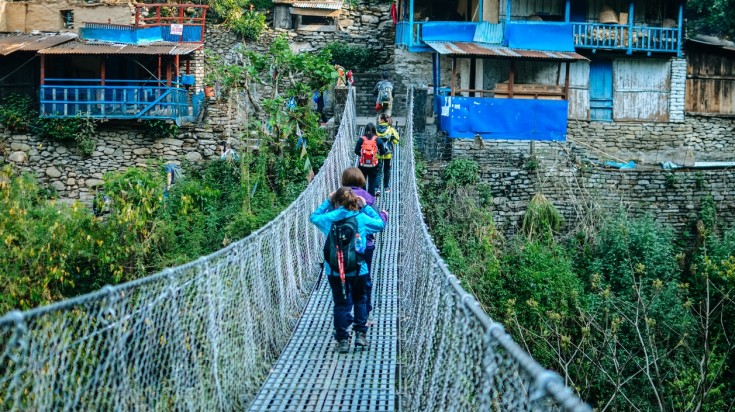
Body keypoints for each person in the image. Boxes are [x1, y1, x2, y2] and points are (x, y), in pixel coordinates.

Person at [310, 187, 386, 353]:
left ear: (337, 202)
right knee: (360, 299)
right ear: (354, 201)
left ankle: (342, 340)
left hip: (335, 269)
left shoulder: (330, 218)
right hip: (359, 268)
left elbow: (313, 217)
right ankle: (360, 335)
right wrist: (366, 206)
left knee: (341, 304)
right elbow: (381, 224)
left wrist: (328, 202)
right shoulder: (361, 218)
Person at [341, 167, 389, 324]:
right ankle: (365, 314)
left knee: (345, 280)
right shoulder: (367, 197)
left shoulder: (339, 196)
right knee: (364, 279)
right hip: (364, 246)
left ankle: (345, 316)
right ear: (361, 181)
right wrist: (384, 215)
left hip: (342, 245)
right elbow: (378, 223)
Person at [354, 123, 386, 197]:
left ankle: (363, 199)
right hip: (373, 165)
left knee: (362, 182)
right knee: (372, 183)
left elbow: (356, 150)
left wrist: (362, 155)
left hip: (362, 165)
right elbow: (383, 152)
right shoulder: (377, 140)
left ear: (366, 130)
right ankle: (370, 201)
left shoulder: (361, 139)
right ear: (374, 130)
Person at [375, 113, 400, 195]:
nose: (378, 120)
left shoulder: (375, 129)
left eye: (379, 119)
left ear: (382, 120)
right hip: (387, 153)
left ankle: (377, 188)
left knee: (378, 171)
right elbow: (396, 141)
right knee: (387, 170)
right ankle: (386, 187)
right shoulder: (391, 129)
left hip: (378, 153)